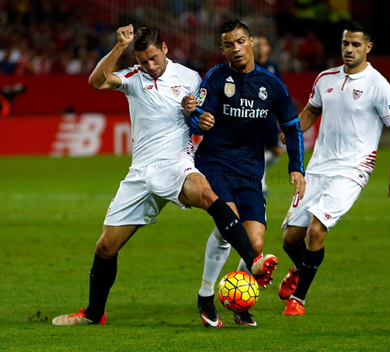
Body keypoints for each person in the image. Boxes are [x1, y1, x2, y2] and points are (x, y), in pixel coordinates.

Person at [51, 24, 277, 326]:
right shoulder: (133, 77)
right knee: (105, 247)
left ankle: (253, 260)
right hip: (141, 173)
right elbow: (96, 81)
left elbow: (204, 115)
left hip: (176, 163)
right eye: (143, 60)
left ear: (165, 49)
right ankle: (94, 314)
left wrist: (192, 110)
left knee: (207, 193)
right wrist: (119, 48)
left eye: (154, 58)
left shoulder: (190, 78)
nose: (150, 66)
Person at [279, 20, 390, 316]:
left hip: (352, 169)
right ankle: (301, 270)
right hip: (318, 167)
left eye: (356, 45)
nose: (349, 50)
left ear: (368, 48)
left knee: (316, 231)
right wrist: (294, 132)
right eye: (345, 44)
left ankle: (298, 299)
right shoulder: (325, 79)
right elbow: (312, 110)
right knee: (290, 239)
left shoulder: (378, 85)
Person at [182, 20, 306, 327]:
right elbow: (197, 116)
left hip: (251, 171)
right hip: (215, 164)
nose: (235, 48)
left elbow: (291, 127)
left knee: (255, 242)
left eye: (239, 41)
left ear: (251, 42)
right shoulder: (215, 76)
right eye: (228, 44)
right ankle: (206, 295)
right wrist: (199, 121)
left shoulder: (271, 84)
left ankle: (239, 299)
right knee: (230, 225)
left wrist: (295, 167)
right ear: (222, 49)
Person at [254, 36, 283, 196]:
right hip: (253, 114)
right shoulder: (250, 66)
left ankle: (259, 173)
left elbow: (280, 88)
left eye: (263, 44)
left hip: (269, 113)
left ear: (268, 48)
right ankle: (262, 185)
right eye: (257, 45)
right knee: (256, 149)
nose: (260, 47)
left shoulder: (273, 66)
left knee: (276, 151)